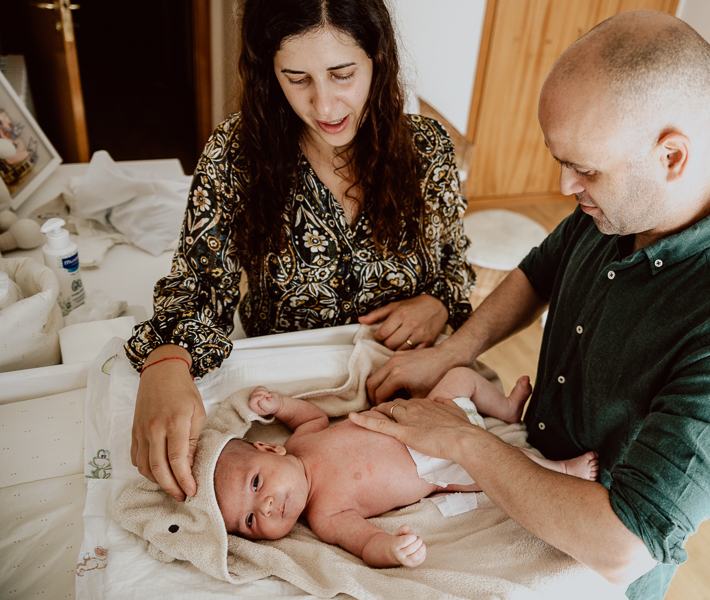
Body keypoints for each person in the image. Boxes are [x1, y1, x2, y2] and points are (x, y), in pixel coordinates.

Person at [354, 9, 710, 599]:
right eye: (562, 161)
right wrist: (453, 351)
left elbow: (624, 545)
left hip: (589, 564)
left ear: (671, 157)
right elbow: (538, 273)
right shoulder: (614, 210)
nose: (565, 187)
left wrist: (462, 440)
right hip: (523, 470)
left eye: (584, 168)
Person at [125, 0, 476, 503]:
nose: (326, 107)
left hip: (403, 383)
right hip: (291, 391)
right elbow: (199, 286)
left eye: (342, 74)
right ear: (270, 73)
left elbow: (456, 267)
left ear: (378, 58)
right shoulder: (235, 155)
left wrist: (439, 302)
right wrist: (165, 361)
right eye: (297, 79)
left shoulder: (429, 149)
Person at [213, 368, 599, 568]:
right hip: (441, 464)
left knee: (460, 377)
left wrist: (278, 405)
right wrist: (393, 550)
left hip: (428, 414)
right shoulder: (325, 515)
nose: (264, 507)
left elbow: (309, 412)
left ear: (269, 447)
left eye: (256, 483)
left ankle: (505, 407)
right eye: (248, 521)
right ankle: (561, 469)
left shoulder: (301, 439)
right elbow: (365, 543)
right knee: (502, 464)